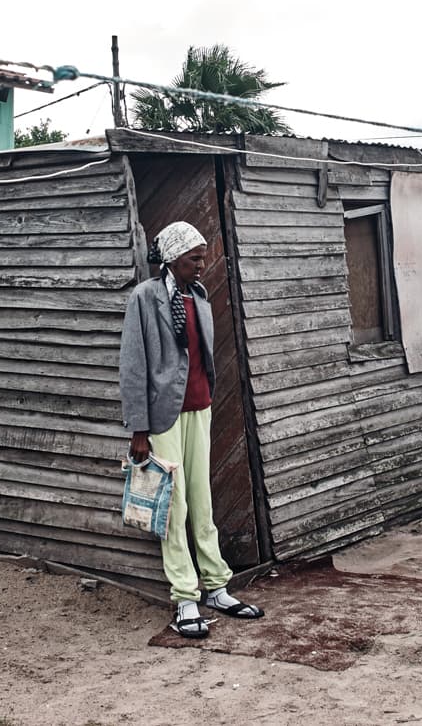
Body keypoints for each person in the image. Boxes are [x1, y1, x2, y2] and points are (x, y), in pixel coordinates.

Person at [119, 221, 264, 638]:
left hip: (199, 408)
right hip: (162, 416)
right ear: (172, 258)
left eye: (203, 256)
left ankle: (216, 586)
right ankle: (185, 597)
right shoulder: (145, 298)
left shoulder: (198, 297)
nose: (202, 264)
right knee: (174, 506)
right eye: (194, 258)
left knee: (202, 501)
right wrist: (139, 429)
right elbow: (133, 367)